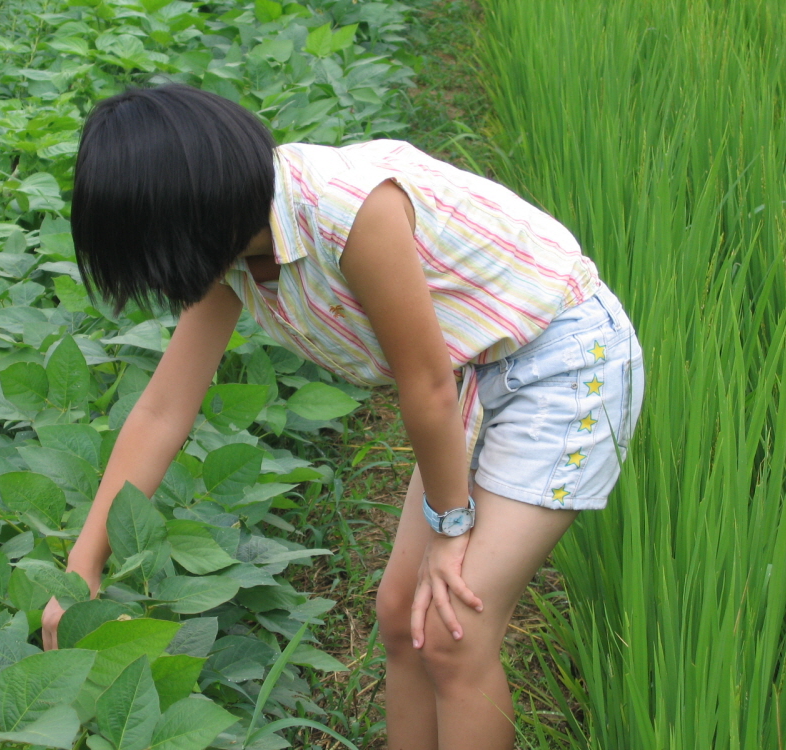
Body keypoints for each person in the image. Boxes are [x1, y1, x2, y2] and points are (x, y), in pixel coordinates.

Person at [41, 83, 644, 750]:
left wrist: (452, 528)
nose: (160, 281)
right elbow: (162, 410)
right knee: (403, 616)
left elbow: (425, 386)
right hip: (475, 369)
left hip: (563, 362)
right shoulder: (230, 250)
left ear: (188, 218)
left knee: (453, 634)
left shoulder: (348, 213)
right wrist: (81, 569)